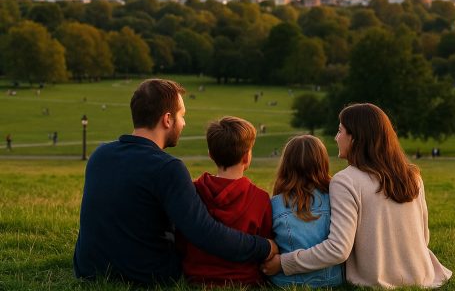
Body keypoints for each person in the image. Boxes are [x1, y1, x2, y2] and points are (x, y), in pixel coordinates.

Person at [73, 79, 276, 284]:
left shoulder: (100, 154)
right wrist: (265, 247)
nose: (184, 123)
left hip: (89, 268)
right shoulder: (167, 168)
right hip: (145, 274)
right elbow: (207, 234)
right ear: (167, 119)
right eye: (182, 115)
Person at [263, 103, 452, 288]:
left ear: (355, 138)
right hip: (422, 275)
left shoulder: (346, 181)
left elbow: (337, 250)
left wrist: (283, 262)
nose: (336, 138)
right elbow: (423, 237)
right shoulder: (413, 176)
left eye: (340, 131)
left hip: (377, 280)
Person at [179, 116, 272, 285]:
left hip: (196, 277)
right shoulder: (260, 199)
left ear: (210, 155)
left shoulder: (192, 192)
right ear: (246, 157)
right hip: (244, 280)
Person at [270, 135, 343, 288]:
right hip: (332, 279)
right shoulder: (335, 198)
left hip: (287, 281)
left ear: (286, 165)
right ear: (322, 164)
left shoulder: (275, 204)